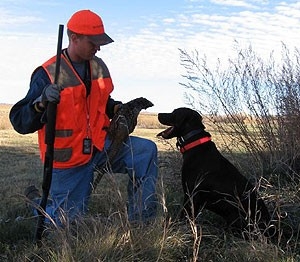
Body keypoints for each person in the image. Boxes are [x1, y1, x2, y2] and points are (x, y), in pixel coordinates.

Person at [9, 9, 158, 225]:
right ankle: (38, 206)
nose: (98, 48)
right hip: (69, 159)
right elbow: (19, 121)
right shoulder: (48, 73)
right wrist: (41, 102)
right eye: (93, 42)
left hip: (100, 145)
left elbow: (100, 100)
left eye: (100, 43)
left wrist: (117, 109)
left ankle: (141, 221)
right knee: (66, 226)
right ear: (74, 38)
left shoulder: (98, 67)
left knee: (146, 151)